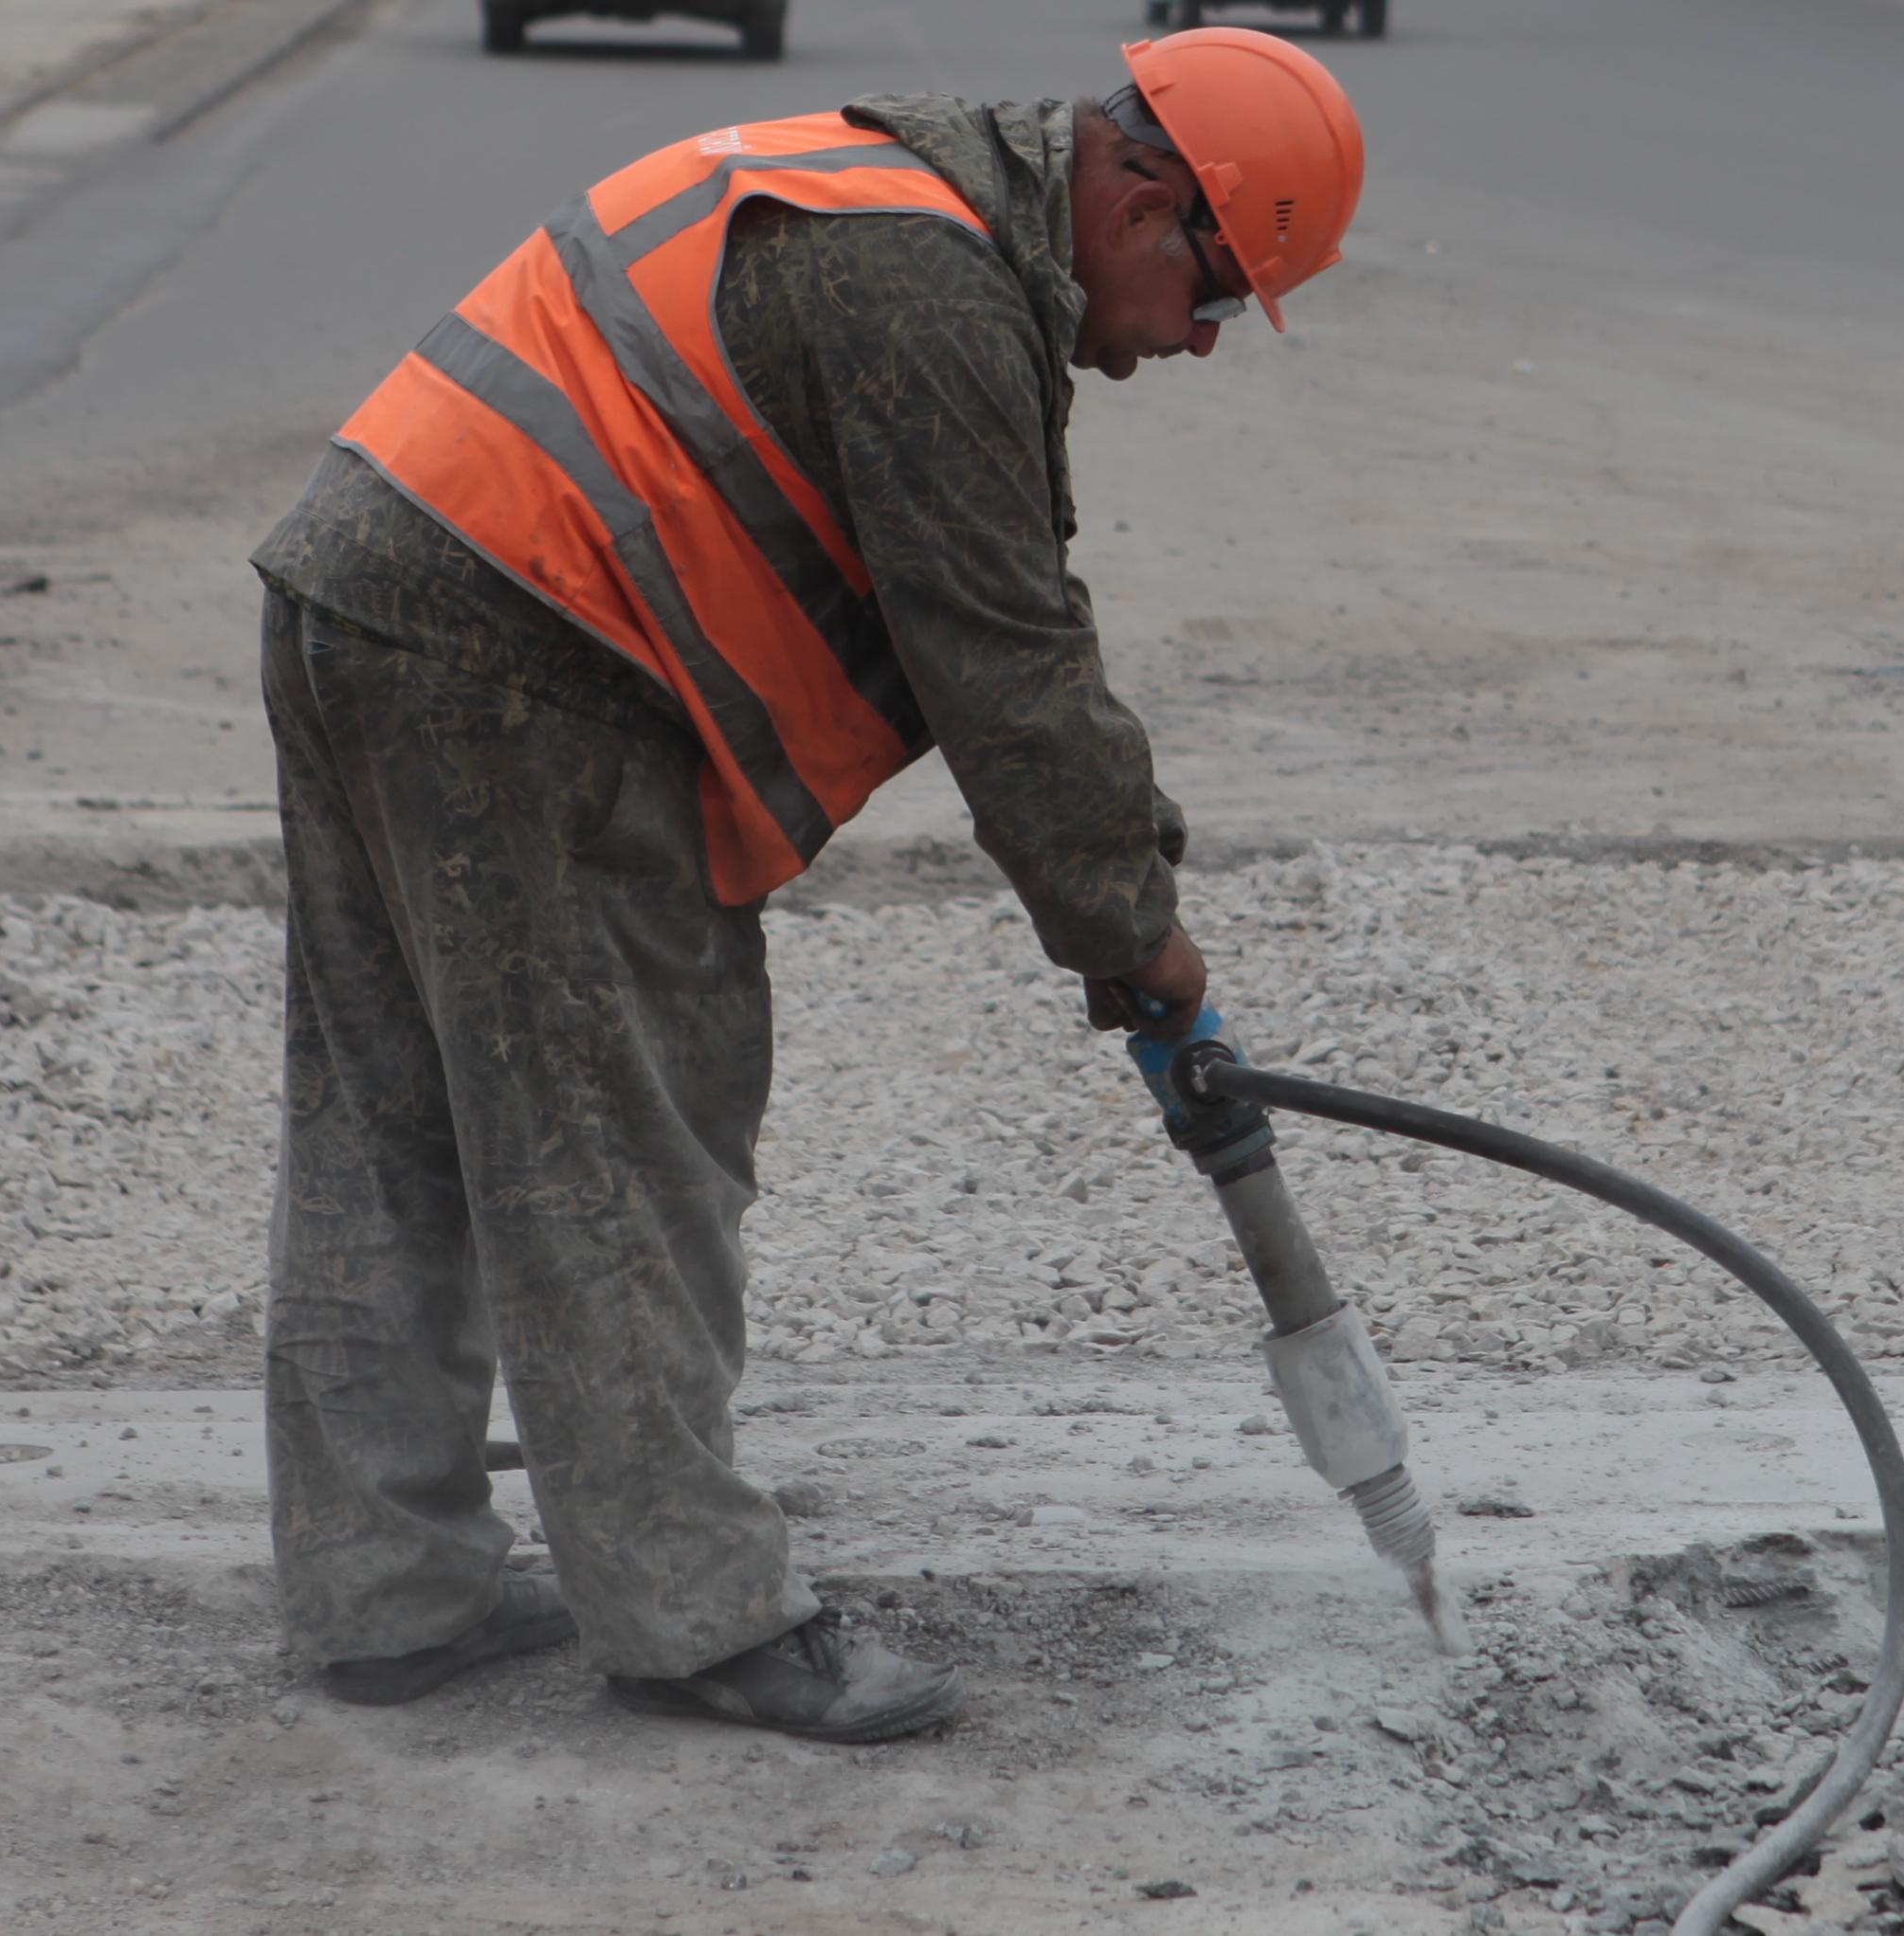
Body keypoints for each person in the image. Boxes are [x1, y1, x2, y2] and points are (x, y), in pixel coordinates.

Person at [240, 30, 1365, 1744]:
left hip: (367, 591)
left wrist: (1107, 900)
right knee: (627, 1128)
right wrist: (1136, 929)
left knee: (393, 1113)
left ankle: (387, 1593)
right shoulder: (927, 285)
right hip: (523, 659)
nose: (1201, 340)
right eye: (1214, 290)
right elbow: (1003, 661)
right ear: (1144, 194)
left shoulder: (886, 198)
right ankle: (695, 1615)